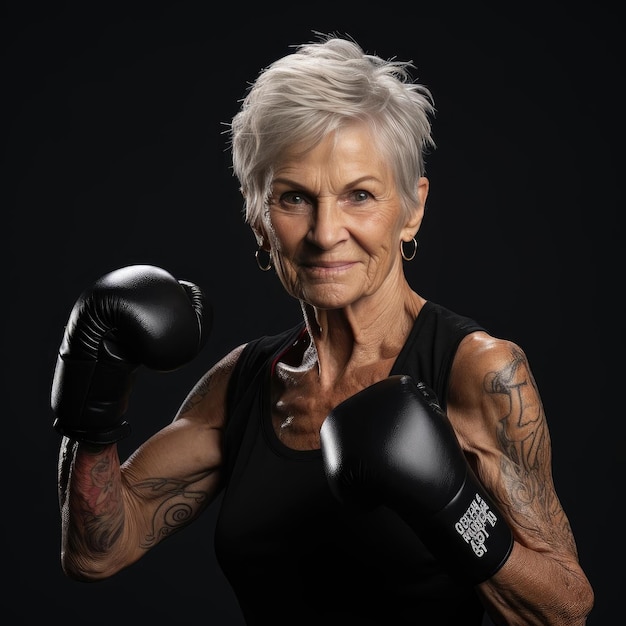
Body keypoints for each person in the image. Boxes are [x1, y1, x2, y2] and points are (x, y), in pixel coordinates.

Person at [52, 34, 594, 625]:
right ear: (258, 219)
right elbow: (96, 554)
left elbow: (565, 609)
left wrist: (456, 509)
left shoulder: (479, 371)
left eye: (360, 195)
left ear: (411, 210)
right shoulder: (245, 384)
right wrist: (92, 405)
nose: (325, 232)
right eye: (294, 198)